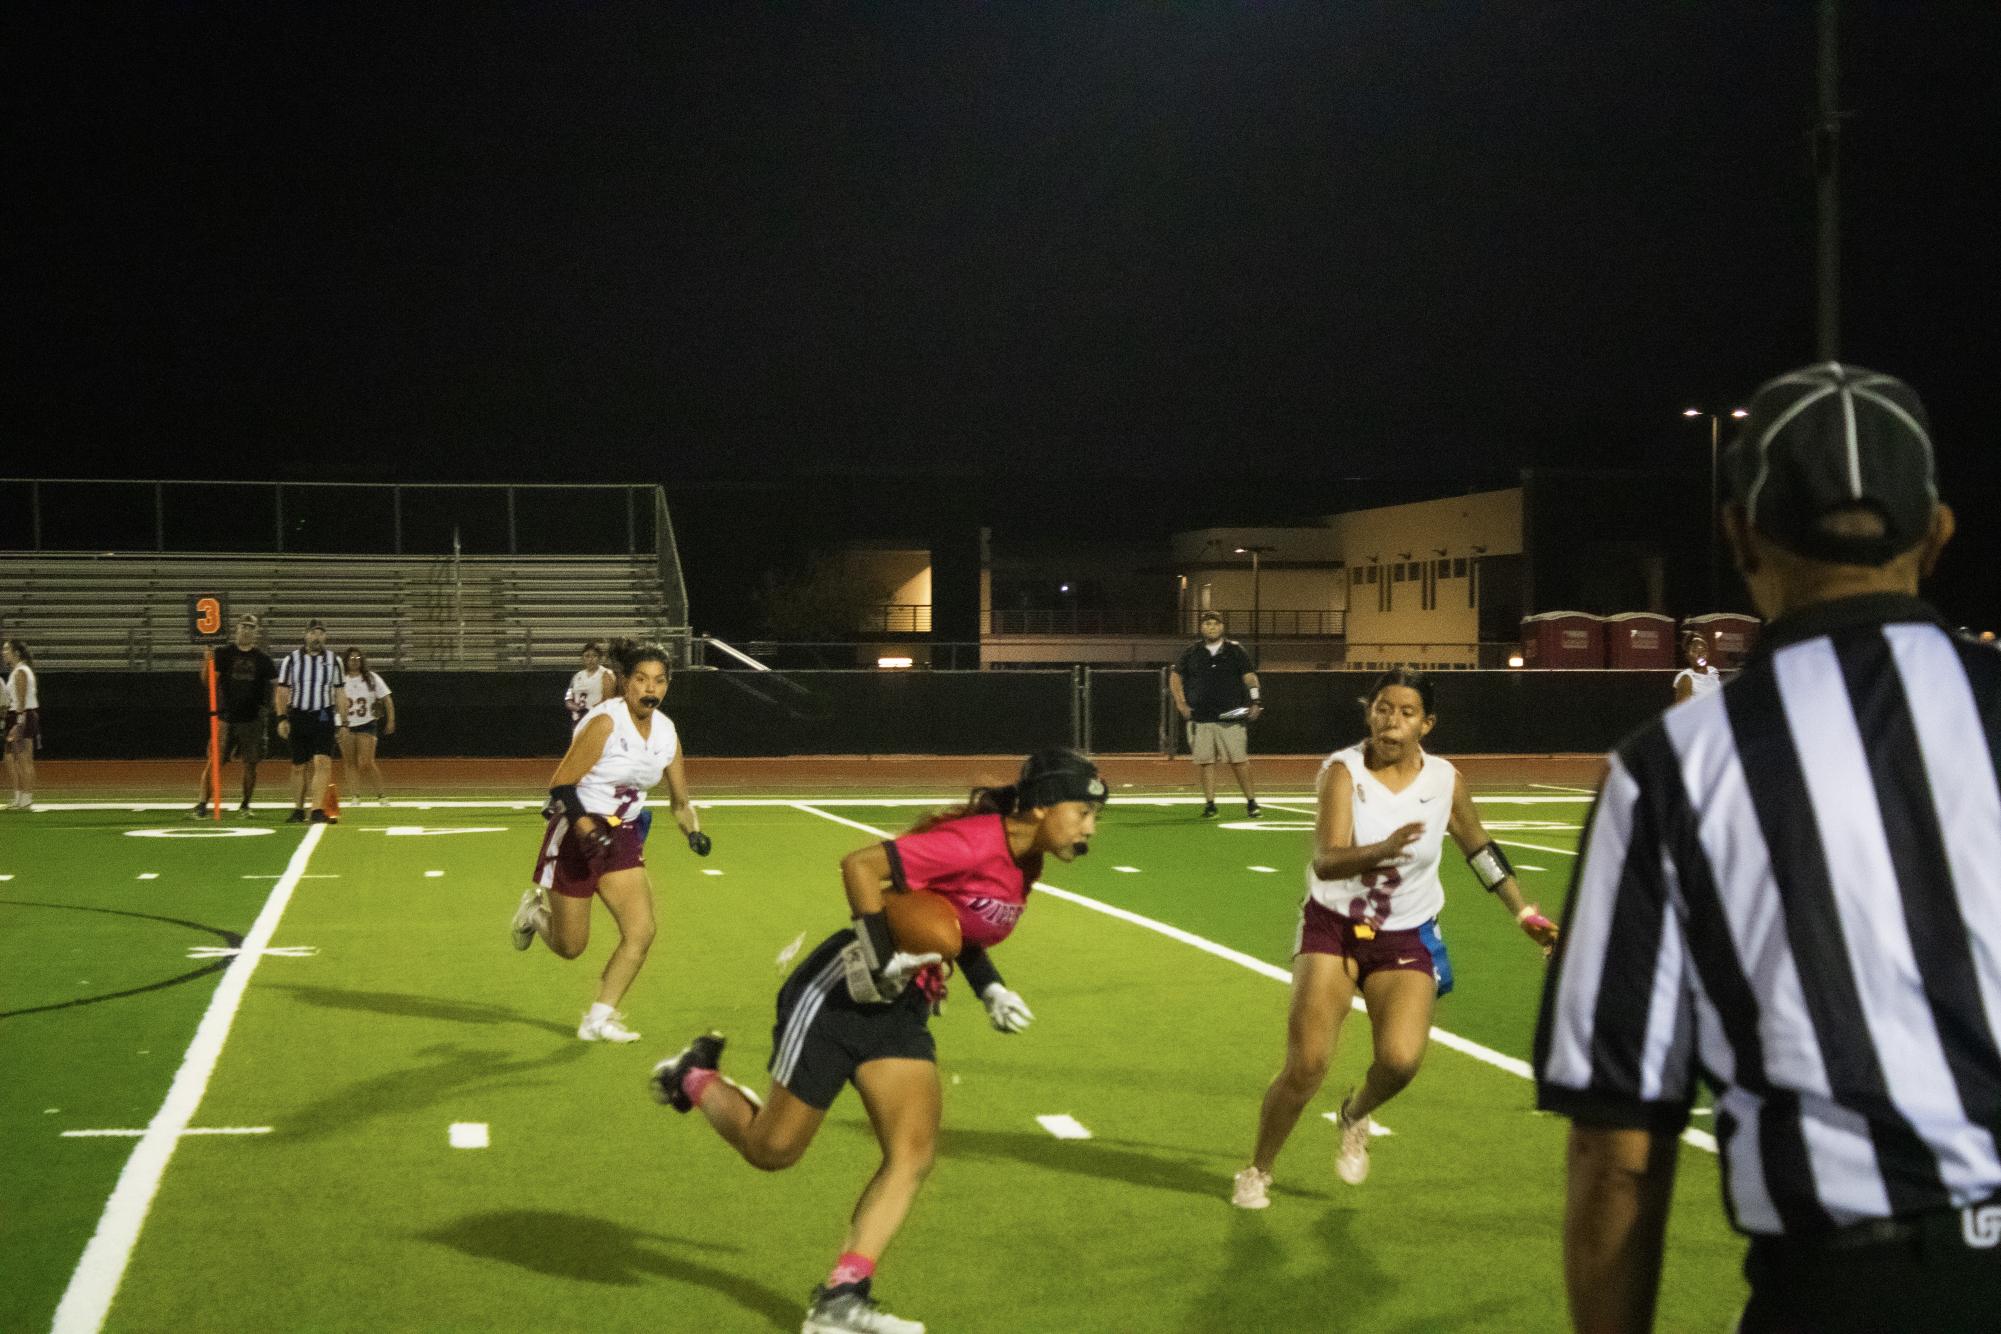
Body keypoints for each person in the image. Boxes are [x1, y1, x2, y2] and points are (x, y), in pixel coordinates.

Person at [1535, 363, 2001, 1334]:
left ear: (1742, 533)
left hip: (1860, 1286)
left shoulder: (1675, 767)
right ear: (1940, 531)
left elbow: (1616, 1150)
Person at [648, 748, 1108, 1334]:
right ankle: (692, 1076)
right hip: (839, 995)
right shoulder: (974, 840)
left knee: (911, 1152)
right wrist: (877, 955)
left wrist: (989, 986)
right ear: (1042, 807)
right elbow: (860, 865)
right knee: (773, 1151)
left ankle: (841, 1297)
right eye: (1084, 811)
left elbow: (958, 930)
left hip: (904, 1007)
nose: (1092, 827)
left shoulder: (1028, 861)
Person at [1231, 669, 1558, 1209]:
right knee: (1308, 1063)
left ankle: (1354, 1114)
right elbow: (1327, 860)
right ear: (1369, 714)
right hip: (1332, 928)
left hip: (1405, 931)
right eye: (1383, 708)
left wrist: (1523, 912)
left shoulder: (1445, 780)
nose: (1392, 721)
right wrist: (1382, 849)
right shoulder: (1343, 771)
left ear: (1426, 724)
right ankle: (1259, 1168)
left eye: (1407, 712)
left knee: (1401, 1060)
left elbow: (1478, 847)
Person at [509, 639, 710, 1043]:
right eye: (640, 679)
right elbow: (561, 785)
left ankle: (599, 1016)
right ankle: (533, 915)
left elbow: (680, 802)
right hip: (578, 834)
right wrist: (586, 828)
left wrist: (694, 831)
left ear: (667, 686)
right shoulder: (605, 722)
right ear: (625, 682)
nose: (649, 689)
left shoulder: (668, 733)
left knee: (641, 931)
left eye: (658, 681)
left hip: (622, 837)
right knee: (571, 947)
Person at [1170, 611, 1263, 818]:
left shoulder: (1236, 651)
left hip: (1230, 716)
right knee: (1206, 762)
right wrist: (1181, 702)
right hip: (1201, 716)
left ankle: (1251, 802)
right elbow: (1175, 676)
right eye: (1207, 624)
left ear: (1221, 627)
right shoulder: (1191, 652)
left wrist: (1255, 701)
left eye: (1215, 624)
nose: (1211, 627)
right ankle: (1210, 804)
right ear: (1202, 628)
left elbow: (1250, 677)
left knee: (1239, 760)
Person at [193, 614, 278, 817]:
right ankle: (202, 803)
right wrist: (207, 662)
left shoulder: (263, 659)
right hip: (226, 716)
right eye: (243, 626)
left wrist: (267, 708)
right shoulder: (224, 654)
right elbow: (209, 683)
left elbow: (275, 685)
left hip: (252, 719)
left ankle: (246, 804)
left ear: (256, 632)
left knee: (250, 763)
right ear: (236, 629)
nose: (247, 630)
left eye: (251, 627)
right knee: (215, 761)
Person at [273, 618, 344, 824]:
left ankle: (317, 809)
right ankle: (298, 809)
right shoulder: (292, 660)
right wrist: (281, 718)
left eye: (321, 633)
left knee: (322, 762)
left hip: (323, 714)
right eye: (313, 633)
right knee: (298, 766)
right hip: (299, 715)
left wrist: (344, 721)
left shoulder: (334, 660)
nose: (317, 637)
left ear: (325, 636)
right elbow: (282, 691)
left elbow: (339, 692)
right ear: (305, 635)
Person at [336, 648, 395, 801]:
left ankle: (381, 795)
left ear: (362, 661)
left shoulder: (371, 678)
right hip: (345, 724)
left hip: (366, 723)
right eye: (351, 659)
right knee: (350, 762)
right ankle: (355, 796)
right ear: (346, 661)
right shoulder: (339, 679)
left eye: (357, 659)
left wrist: (391, 719)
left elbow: (387, 699)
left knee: (367, 762)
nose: (354, 661)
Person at [3, 639, 39, 811]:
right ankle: (19, 798)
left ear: (16, 653)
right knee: (13, 759)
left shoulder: (21, 672)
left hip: (22, 716)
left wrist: (19, 724)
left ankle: (26, 799)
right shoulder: (17, 671)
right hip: (18, 716)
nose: (3, 653)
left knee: (24, 759)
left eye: (6, 650)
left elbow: (22, 701)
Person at [565, 640, 615, 728]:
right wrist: (579, 709)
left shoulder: (607, 674)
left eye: (594, 656)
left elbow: (609, 699)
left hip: (598, 721)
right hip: (578, 721)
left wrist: (591, 711)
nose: (590, 659)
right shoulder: (577, 676)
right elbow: (568, 700)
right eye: (587, 656)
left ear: (600, 658)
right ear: (582, 658)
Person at [1670, 631, 1723, 704]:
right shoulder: (1686, 678)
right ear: (1687, 656)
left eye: (1703, 651)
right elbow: (1682, 710)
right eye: (1695, 651)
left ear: (1708, 654)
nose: (1700, 654)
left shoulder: (1713, 672)